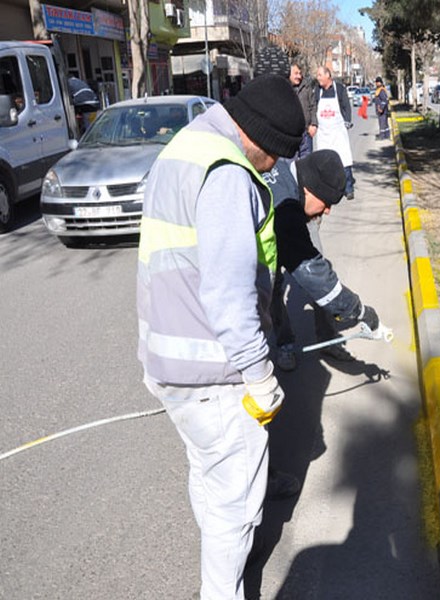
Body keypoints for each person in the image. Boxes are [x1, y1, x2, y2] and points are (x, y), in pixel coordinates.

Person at [136, 74, 306, 600]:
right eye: (275, 155)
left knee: (208, 479)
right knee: (235, 506)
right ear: (258, 137)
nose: (274, 166)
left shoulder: (186, 146)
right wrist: (260, 375)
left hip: (171, 363)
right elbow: (230, 293)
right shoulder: (228, 174)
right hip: (216, 371)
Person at [264, 150, 381, 371]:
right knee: (275, 285)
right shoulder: (285, 208)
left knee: (318, 267)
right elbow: (313, 274)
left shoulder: (289, 177)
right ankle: (284, 344)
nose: (327, 211)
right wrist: (359, 311)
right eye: (326, 203)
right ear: (309, 189)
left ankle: (326, 339)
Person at [314, 66, 356, 200]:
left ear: (328, 76)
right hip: (323, 133)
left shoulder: (339, 89)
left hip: (338, 131)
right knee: (324, 161)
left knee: (344, 158)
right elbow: (313, 107)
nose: (318, 78)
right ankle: (328, 189)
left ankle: (348, 188)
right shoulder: (317, 91)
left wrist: (348, 121)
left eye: (320, 75)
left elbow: (346, 106)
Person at [290, 63, 319, 158]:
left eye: (300, 73)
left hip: (306, 133)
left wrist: (314, 124)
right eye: (296, 73)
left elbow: (313, 106)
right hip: (290, 134)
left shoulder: (307, 86)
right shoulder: (284, 87)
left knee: (307, 165)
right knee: (290, 167)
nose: (299, 76)